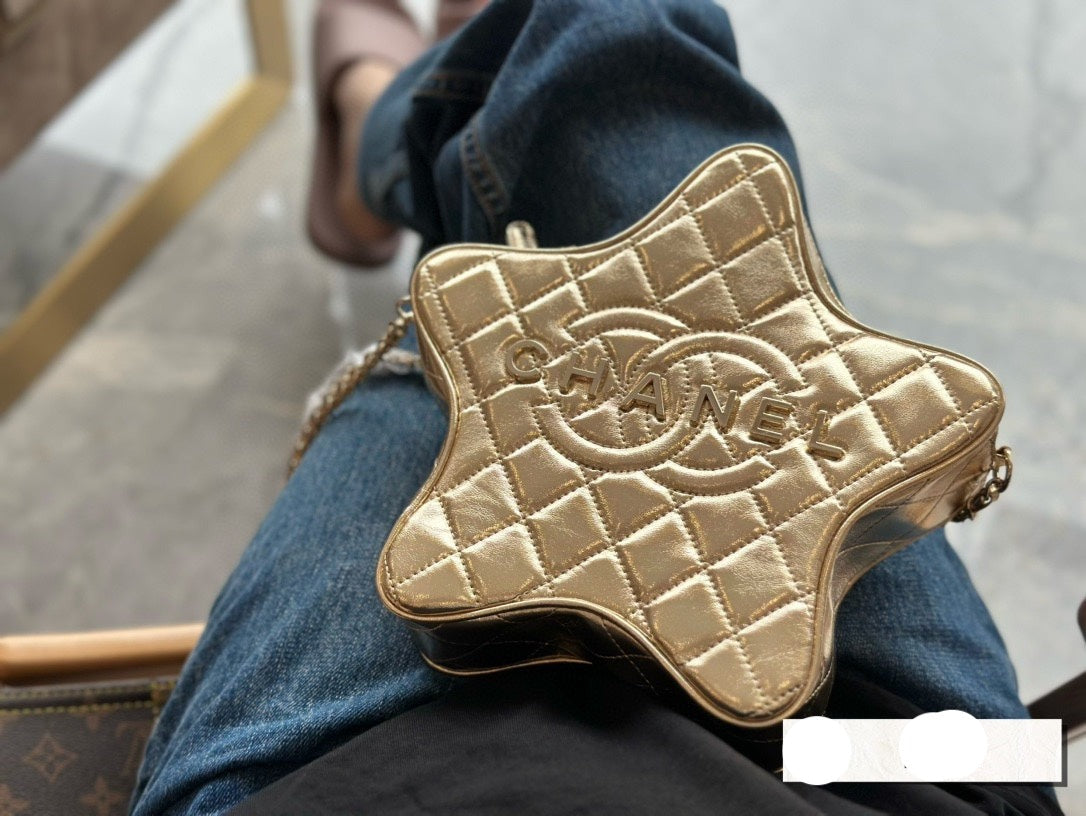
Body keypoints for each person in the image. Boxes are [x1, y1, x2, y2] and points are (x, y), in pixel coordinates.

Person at [129, 1, 1061, 813]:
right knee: (614, 56)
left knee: (591, 55)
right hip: (890, 772)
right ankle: (423, 117)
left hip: (340, 777)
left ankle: (395, 114)